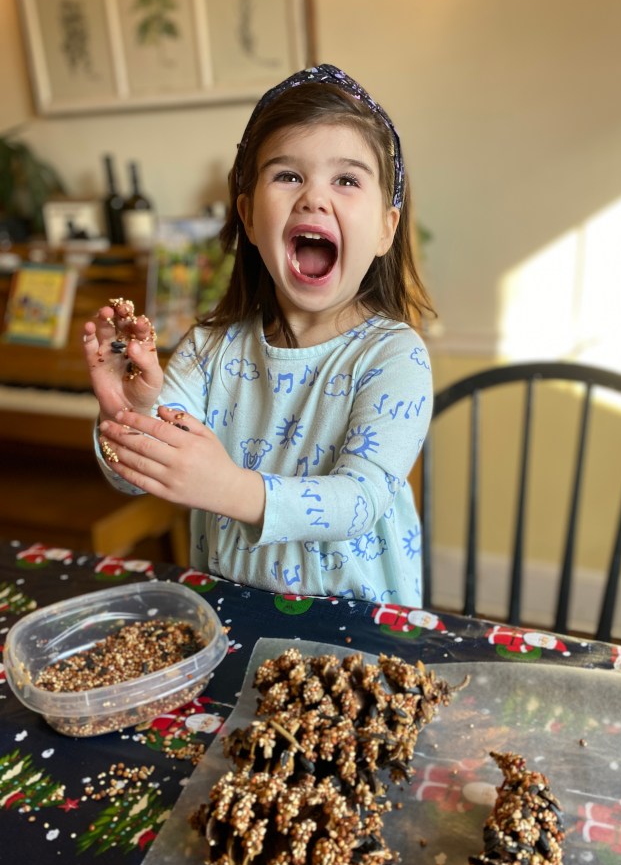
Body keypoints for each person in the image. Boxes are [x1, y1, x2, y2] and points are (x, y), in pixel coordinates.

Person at [83, 64, 434, 606]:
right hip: (230, 614)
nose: (314, 198)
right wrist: (128, 413)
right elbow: (139, 476)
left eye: (346, 180)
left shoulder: (395, 357)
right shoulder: (210, 347)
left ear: (386, 229)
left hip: (356, 628)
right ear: (247, 216)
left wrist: (229, 488)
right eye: (288, 175)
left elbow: (359, 501)